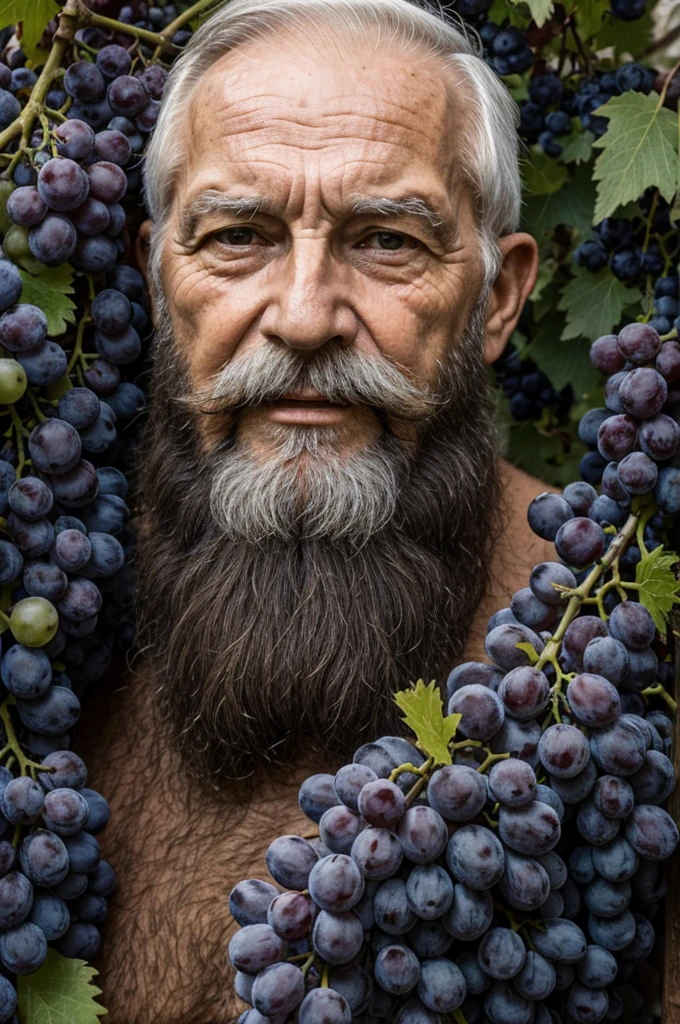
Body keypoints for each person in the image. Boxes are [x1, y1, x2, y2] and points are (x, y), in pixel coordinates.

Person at [78, 0, 555, 1018]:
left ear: (497, 300)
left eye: (386, 240)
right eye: (237, 235)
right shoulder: (46, 599)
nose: (301, 316)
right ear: (157, 278)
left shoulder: (617, 657)